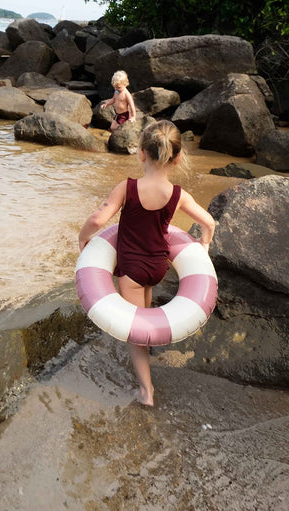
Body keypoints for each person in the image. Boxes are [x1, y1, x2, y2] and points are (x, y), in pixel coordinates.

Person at [78, 120, 216, 406]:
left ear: (141, 153)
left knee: (135, 332)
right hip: (158, 266)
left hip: (131, 270)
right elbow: (208, 222)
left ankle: (146, 391)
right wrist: (204, 244)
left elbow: (97, 219)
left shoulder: (127, 189)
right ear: (177, 158)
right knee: (145, 308)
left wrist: (83, 240)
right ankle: (150, 341)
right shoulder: (178, 195)